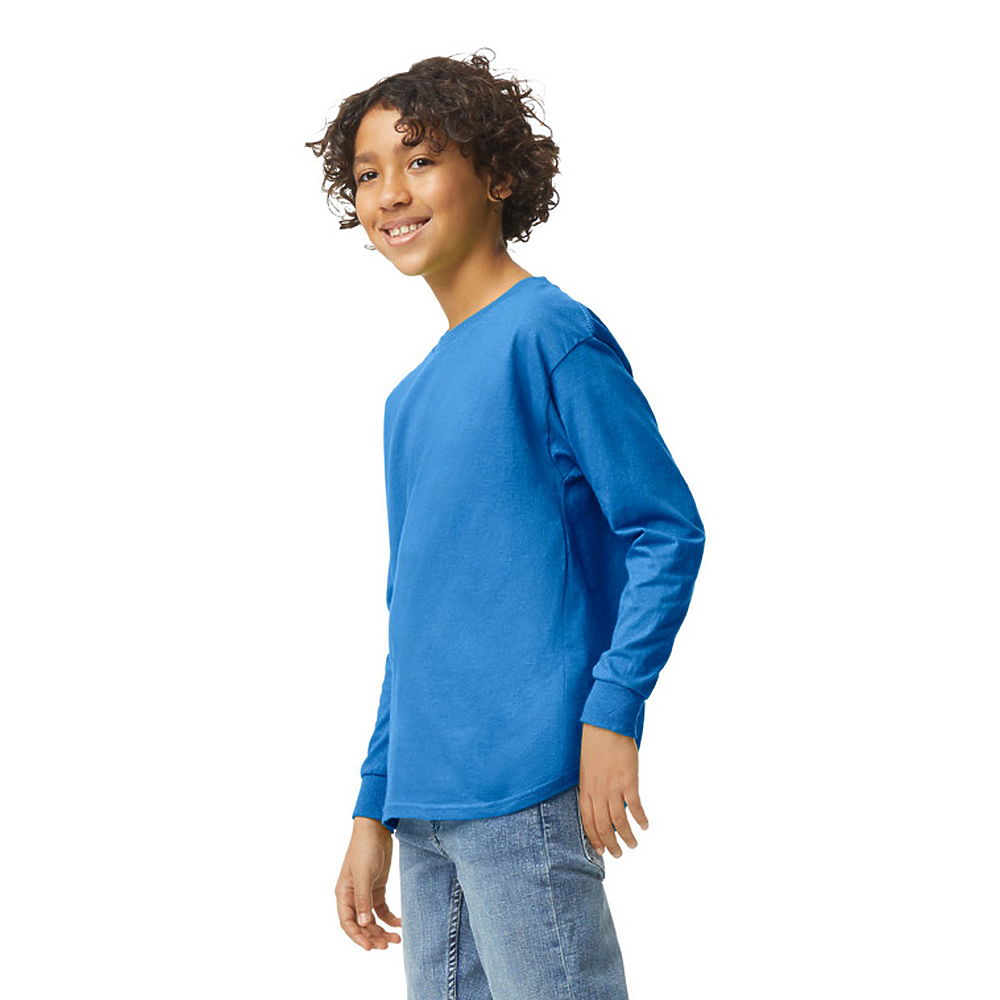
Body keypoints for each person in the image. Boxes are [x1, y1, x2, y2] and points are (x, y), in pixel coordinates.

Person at [305, 48, 706, 999]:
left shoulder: (548, 334)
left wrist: (613, 710)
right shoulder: (406, 402)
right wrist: (373, 804)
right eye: (369, 172)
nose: (391, 193)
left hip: (525, 790)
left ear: (496, 175)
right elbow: (415, 620)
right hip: (424, 811)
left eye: (420, 160)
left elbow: (664, 529)